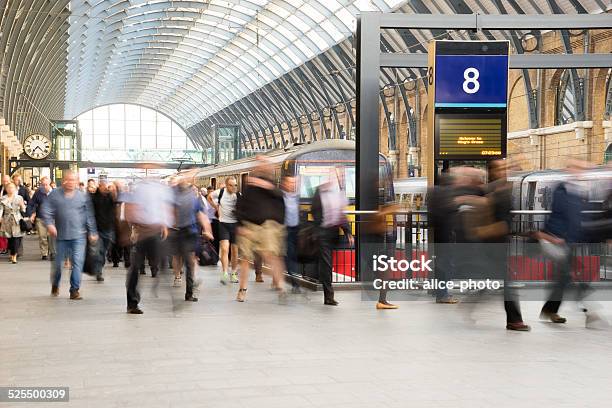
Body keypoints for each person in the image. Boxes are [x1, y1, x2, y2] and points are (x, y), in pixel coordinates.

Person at [41, 170, 98, 300]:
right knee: (57, 264)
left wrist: (92, 231)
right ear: (64, 180)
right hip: (60, 236)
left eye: (73, 180)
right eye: (68, 180)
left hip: (79, 236)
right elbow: (46, 209)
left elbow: (89, 215)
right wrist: (49, 224)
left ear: (77, 181)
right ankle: (55, 283)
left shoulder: (82, 196)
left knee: (77, 262)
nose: (71, 183)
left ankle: (74, 290)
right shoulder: (55, 194)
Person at [235, 167, 287, 302]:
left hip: (266, 227)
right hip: (248, 226)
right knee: (245, 259)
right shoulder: (247, 191)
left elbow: (281, 202)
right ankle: (242, 290)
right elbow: (239, 208)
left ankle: (280, 285)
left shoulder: (273, 191)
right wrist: (240, 226)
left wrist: (278, 224)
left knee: (270, 256)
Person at [125, 178, 173, 314]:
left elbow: (161, 209)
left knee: (161, 263)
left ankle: (165, 293)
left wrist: (164, 225)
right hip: (141, 233)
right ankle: (132, 303)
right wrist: (133, 229)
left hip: (154, 232)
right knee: (135, 268)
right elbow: (130, 211)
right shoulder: (137, 190)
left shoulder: (158, 190)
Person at [311, 167, 354, 306]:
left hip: (333, 233)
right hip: (323, 232)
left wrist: (348, 232)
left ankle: (327, 292)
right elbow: (314, 210)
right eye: (338, 175)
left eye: (342, 175)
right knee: (326, 264)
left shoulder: (340, 193)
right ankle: (328, 295)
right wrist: (319, 228)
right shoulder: (320, 191)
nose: (340, 177)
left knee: (327, 264)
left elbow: (341, 214)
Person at [171, 176, 212, 301]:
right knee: (179, 258)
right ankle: (179, 277)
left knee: (190, 262)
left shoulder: (195, 201)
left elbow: (201, 215)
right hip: (178, 232)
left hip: (190, 233)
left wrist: (207, 229)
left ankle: (189, 292)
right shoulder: (175, 198)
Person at [210, 177, 240, 284]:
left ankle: (234, 273)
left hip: (235, 225)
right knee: (224, 249)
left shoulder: (238, 195)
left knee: (235, 251)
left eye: (235, 185)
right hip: (223, 224)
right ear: (226, 185)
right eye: (231, 185)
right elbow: (209, 197)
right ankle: (225, 273)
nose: (234, 187)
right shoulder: (220, 192)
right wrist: (216, 207)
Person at [90, 178, 116, 282]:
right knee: (99, 251)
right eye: (102, 186)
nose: (104, 188)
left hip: (108, 228)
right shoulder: (94, 197)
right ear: (99, 186)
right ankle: (98, 271)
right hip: (97, 229)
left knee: (104, 251)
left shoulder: (110, 197)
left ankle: (99, 267)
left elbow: (115, 208)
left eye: (105, 186)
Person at [26, 176, 55, 260]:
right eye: (43, 185)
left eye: (46, 184)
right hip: (40, 218)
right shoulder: (38, 192)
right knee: (42, 237)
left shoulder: (55, 193)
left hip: (52, 218)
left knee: (52, 237)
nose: (44, 186)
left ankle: (53, 252)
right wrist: (31, 214)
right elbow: (31, 204)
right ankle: (44, 253)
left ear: (49, 183)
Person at [281, 175, 302, 293]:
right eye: (290, 182)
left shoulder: (297, 197)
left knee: (293, 256)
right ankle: (295, 283)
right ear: (284, 184)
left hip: (296, 230)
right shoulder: (281, 197)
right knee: (289, 257)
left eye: (294, 183)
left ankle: (292, 280)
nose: (292, 185)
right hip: (285, 230)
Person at [0, 183, 26, 264]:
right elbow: (1, 209)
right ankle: (12, 254)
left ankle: (14, 256)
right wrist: (0, 217)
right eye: (9, 188)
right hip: (7, 220)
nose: (10, 189)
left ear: (15, 189)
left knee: (16, 238)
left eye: (12, 188)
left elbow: (23, 209)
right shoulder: (3, 198)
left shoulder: (19, 198)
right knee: (10, 239)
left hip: (17, 219)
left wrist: (23, 208)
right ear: (6, 189)